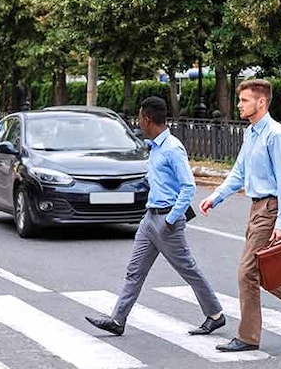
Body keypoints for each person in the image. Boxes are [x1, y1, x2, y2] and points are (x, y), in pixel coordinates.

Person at [199, 79, 281, 352]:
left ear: (261, 102)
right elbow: (239, 172)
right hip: (256, 207)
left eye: (244, 100)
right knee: (264, 272)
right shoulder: (252, 133)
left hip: (270, 208)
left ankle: (248, 337)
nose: (239, 105)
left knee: (247, 272)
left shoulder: (276, 135)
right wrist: (216, 196)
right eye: (240, 100)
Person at [85, 97, 226, 336]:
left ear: (148, 120)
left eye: (140, 119)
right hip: (150, 219)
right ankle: (118, 320)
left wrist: (172, 219)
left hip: (166, 220)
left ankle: (215, 314)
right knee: (134, 270)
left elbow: (188, 187)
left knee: (187, 269)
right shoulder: (155, 147)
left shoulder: (172, 148)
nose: (138, 123)